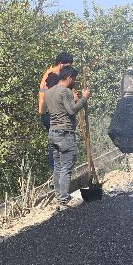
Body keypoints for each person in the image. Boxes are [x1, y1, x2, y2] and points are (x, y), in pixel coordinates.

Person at [44, 66, 90, 207]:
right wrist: (83, 99)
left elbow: (60, 109)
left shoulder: (49, 92)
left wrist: (73, 100)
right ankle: (65, 198)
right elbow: (71, 111)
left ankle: (59, 196)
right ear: (69, 77)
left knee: (57, 167)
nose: (74, 81)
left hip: (53, 132)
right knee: (66, 167)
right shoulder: (65, 91)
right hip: (65, 133)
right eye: (74, 79)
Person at [38, 52, 74, 173]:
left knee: (56, 144)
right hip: (49, 114)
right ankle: (57, 173)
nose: (68, 69)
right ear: (60, 64)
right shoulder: (52, 76)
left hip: (49, 113)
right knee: (57, 145)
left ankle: (58, 173)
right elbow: (57, 96)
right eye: (67, 66)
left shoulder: (53, 74)